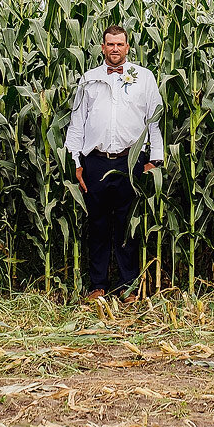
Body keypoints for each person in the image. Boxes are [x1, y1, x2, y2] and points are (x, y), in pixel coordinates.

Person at [65, 25, 164, 300]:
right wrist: (74, 162)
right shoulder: (89, 78)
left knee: (126, 226)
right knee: (97, 225)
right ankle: (98, 286)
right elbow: (77, 124)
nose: (115, 49)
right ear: (103, 47)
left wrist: (155, 159)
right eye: (110, 44)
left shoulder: (143, 78)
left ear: (128, 47)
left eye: (120, 44)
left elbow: (154, 121)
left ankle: (128, 287)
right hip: (95, 161)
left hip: (129, 162)